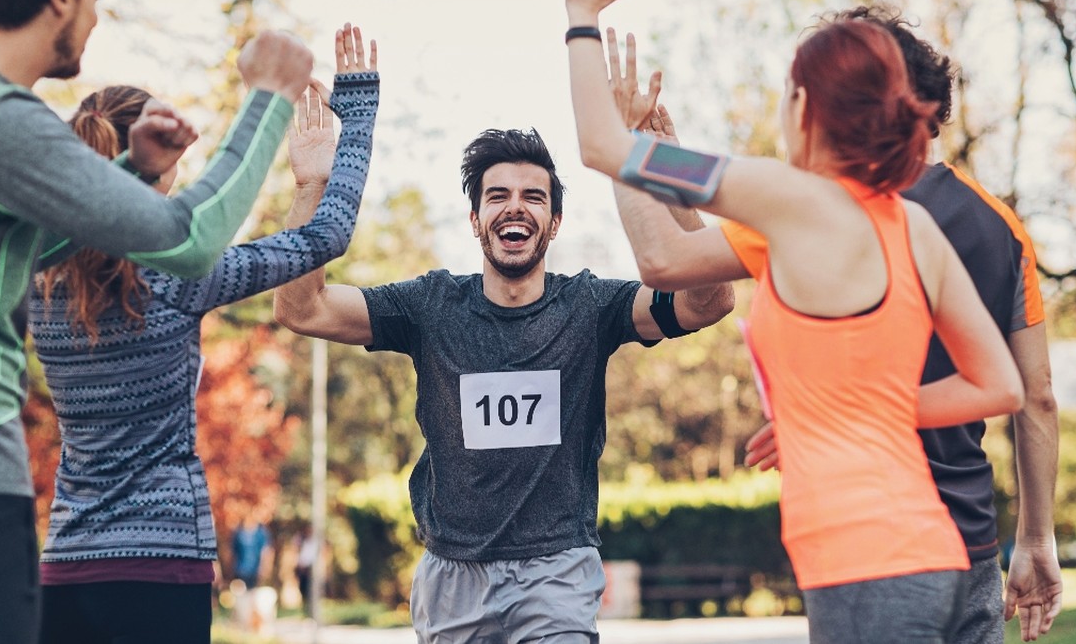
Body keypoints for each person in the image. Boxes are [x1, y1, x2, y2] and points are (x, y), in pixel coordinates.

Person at [564, 0, 1023, 641]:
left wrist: (581, 12)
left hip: (866, 564)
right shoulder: (911, 226)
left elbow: (605, 148)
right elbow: (999, 383)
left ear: (805, 104)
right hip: (939, 561)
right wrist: (851, 408)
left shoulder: (787, 198)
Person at [0, 0, 311, 641]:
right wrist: (270, 98)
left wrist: (129, 174)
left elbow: (19, 248)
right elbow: (185, 241)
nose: (99, 17)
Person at [273, 123, 734, 642]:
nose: (515, 207)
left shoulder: (591, 307)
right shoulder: (431, 306)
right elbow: (300, 307)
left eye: (533, 197)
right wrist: (312, 189)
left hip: (557, 570)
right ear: (476, 220)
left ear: (553, 222)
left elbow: (710, 301)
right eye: (498, 196)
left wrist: (666, 167)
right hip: (452, 578)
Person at [28, 24, 379, 644]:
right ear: (153, 165)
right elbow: (325, 239)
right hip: (161, 567)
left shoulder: (40, 281)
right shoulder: (175, 271)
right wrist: (354, 122)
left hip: (66, 563)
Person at [736, 8, 1063, 643]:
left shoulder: (817, 211)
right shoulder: (1002, 224)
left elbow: (669, 260)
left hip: (865, 536)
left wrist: (833, 410)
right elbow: (1037, 394)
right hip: (969, 537)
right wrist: (1036, 537)